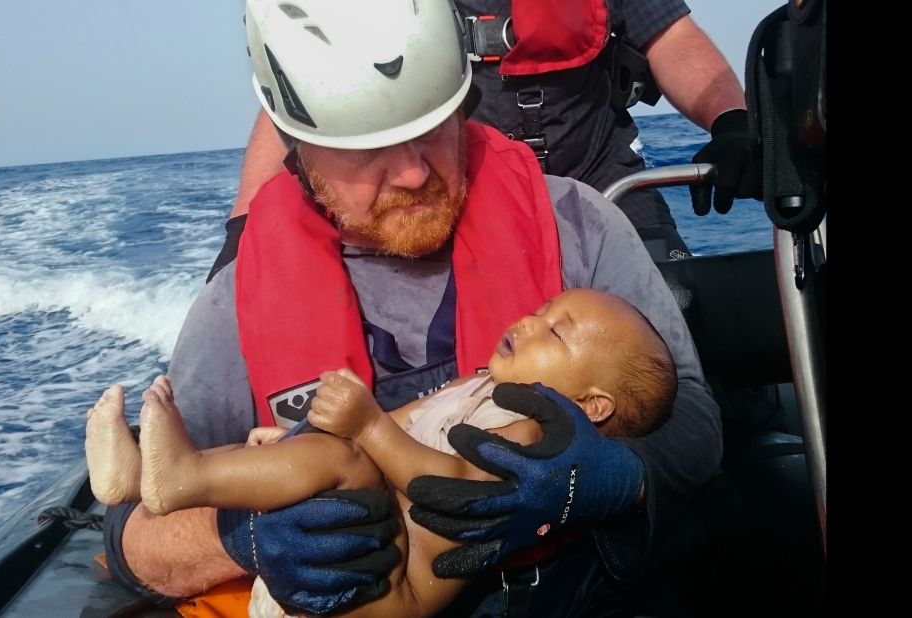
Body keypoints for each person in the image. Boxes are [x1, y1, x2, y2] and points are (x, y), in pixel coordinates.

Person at [99, 1, 720, 616]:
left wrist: (610, 477)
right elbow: (136, 534)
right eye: (368, 151)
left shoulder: (581, 226)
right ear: (299, 149)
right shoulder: (235, 302)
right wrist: (242, 538)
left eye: (431, 130)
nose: (413, 173)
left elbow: (692, 416)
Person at [87, 288, 677, 617]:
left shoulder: (533, 438)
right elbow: (402, 423)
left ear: (593, 406)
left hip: (390, 592)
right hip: (335, 556)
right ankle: (150, 478)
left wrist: (367, 427)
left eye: (555, 331)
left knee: (343, 463)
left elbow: (451, 488)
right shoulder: (477, 387)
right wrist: (298, 442)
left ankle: (179, 475)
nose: (527, 319)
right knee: (329, 454)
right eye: (542, 309)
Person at [208, 0, 761, 282]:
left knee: (678, 303)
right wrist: (243, 228)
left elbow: (675, 41)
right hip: (466, 195)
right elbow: (308, 94)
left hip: (607, 184)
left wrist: (732, 122)